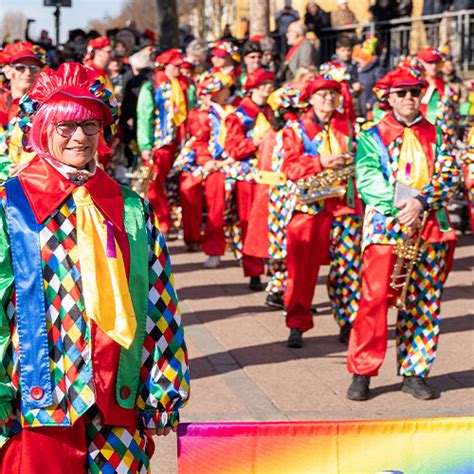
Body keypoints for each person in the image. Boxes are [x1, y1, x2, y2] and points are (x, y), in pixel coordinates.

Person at [0, 62, 189, 472]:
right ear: (42, 128)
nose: (80, 137)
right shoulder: (10, 206)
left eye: (90, 124)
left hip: (118, 394)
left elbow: (159, 299)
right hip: (36, 401)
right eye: (65, 126)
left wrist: (162, 388)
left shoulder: (131, 208)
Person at [346, 66, 459, 401]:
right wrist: (402, 208)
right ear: (388, 97)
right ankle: (362, 371)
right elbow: (367, 178)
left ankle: (415, 371)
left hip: (427, 227)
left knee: (424, 301)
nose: (410, 98)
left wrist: (422, 202)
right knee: (374, 299)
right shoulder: (372, 135)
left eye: (415, 92)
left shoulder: (438, 134)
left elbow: (450, 173)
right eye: (402, 93)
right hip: (385, 229)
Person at [281, 76, 363, 348]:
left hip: (344, 207)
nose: (328, 98)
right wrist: (320, 162)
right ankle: (297, 324)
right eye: (322, 94)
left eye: (333, 94)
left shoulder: (350, 126)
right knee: (301, 270)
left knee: (348, 268)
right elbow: (289, 168)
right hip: (310, 207)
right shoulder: (295, 129)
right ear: (311, 99)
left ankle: (347, 321)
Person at [225, 68, 276, 290]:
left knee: (272, 222)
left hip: (271, 174)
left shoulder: (273, 111)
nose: (267, 88)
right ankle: (254, 272)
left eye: (269, 84)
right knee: (249, 223)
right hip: (248, 176)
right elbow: (232, 148)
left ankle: (275, 271)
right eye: (262, 85)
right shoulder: (238, 115)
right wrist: (255, 143)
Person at [137, 49, 189, 237]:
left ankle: (172, 222)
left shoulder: (181, 85)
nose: (179, 69)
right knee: (154, 185)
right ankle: (162, 223)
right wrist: (145, 146)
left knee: (170, 185)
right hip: (158, 145)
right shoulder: (152, 86)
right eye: (176, 65)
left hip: (177, 145)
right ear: (165, 66)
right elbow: (144, 117)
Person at [0, 41, 48, 180]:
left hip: (35, 180)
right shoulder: (1, 103)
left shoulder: (49, 107)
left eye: (33, 68)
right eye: (20, 67)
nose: (28, 73)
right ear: (8, 72)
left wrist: (33, 165)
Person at [417, 47, 458, 148]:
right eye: (430, 63)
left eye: (436, 62)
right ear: (421, 63)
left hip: (443, 140)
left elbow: (454, 114)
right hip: (420, 137)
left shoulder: (445, 87)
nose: (434, 66)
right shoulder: (415, 87)